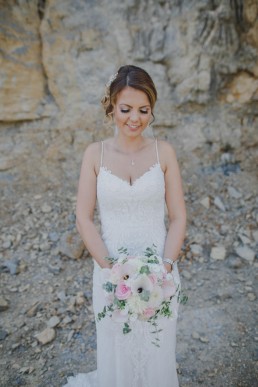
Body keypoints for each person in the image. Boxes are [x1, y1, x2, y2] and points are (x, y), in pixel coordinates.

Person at [64, 65, 187, 387]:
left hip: (160, 269)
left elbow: (178, 217)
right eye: (126, 109)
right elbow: (83, 217)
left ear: (152, 110)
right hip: (110, 273)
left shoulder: (165, 153)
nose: (135, 118)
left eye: (144, 110)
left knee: (157, 345)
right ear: (110, 108)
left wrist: (165, 267)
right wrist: (111, 269)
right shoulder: (95, 154)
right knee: (117, 345)